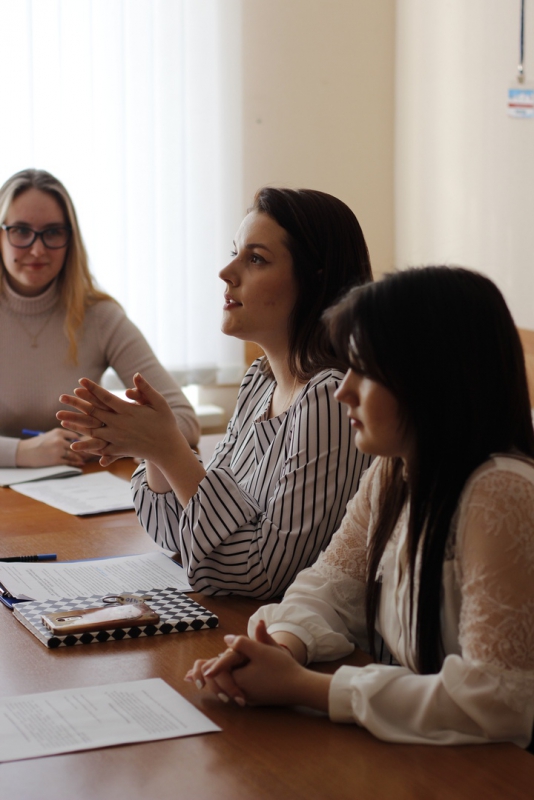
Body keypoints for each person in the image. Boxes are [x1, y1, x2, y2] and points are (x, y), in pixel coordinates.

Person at [186, 266, 534, 748]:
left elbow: (500, 699)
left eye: (364, 371)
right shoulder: (394, 471)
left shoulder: (500, 490)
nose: (342, 389)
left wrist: (306, 687)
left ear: (429, 378)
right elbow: (329, 587)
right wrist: (279, 648)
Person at [56, 188, 374, 597]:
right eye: (234, 252)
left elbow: (263, 574)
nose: (226, 271)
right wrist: (156, 451)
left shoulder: (332, 399)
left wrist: (171, 450)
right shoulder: (261, 381)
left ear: (315, 280)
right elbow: (176, 536)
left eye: (255, 259)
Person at [0, 168, 199, 468]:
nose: (37, 248)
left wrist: (110, 441)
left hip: (75, 497)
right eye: (21, 231)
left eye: (53, 232)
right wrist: (22, 452)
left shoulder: (100, 317)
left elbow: (184, 420)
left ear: (71, 240)